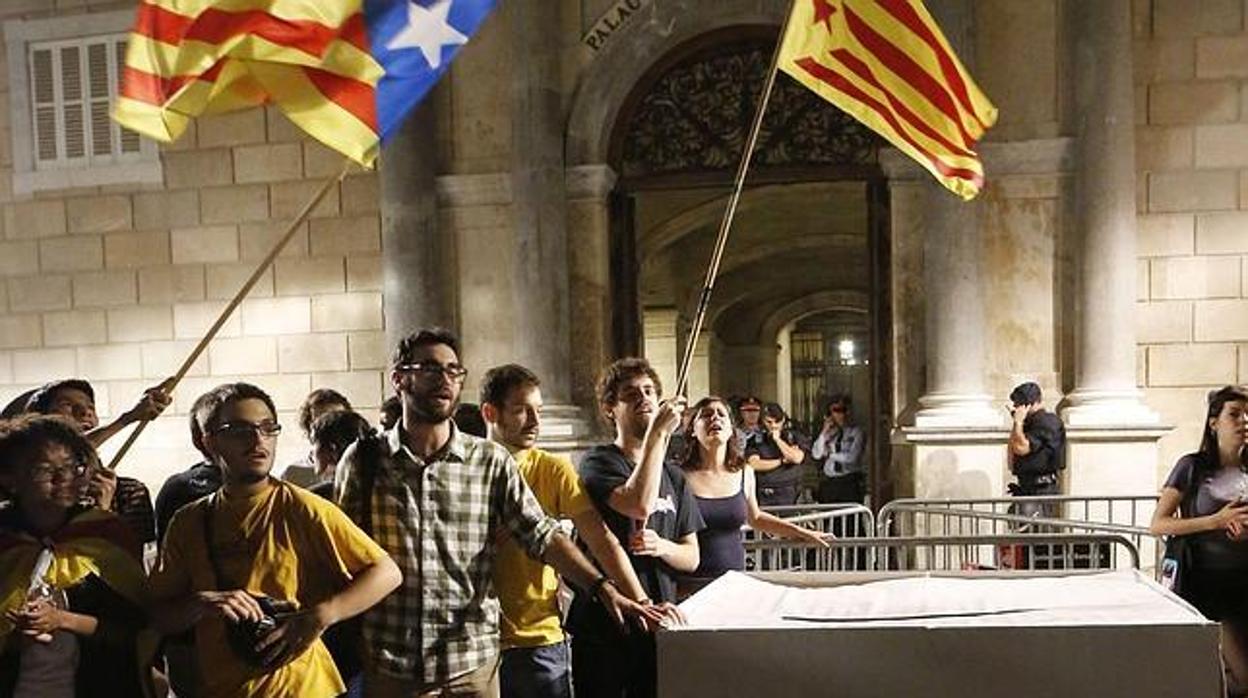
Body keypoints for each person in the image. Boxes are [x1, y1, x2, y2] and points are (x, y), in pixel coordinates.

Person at [334, 329, 657, 697]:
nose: (444, 380)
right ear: (399, 378)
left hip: (471, 661)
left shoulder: (488, 461)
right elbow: (345, 553)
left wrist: (601, 587)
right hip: (393, 663)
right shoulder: (365, 461)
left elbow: (541, 534)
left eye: (454, 371)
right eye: (430, 369)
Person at [148, 382, 402, 698]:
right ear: (209, 442)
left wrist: (322, 615)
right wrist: (202, 603)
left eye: (268, 428)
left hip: (302, 687)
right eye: (240, 429)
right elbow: (159, 615)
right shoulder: (189, 521)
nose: (258, 440)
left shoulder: (303, 508)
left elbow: (387, 572)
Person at [480, 364, 665, 698]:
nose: (536, 423)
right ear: (491, 413)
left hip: (537, 636)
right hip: (475, 639)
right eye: (522, 411)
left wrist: (639, 601)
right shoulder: (469, 468)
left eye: (539, 410)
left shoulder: (553, 469)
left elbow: (601, 537)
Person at [567, 357, 703, 698]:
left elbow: (692, 557)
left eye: (649, 391)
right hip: (606, 625)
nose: (644, 398)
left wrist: (663, 547)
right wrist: (658, 432)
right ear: (611, 408)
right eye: (630, 394)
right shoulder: (598, 461)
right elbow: (637, 503)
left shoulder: (674, 476)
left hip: (658, 621)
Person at [0, 415, 154, 697]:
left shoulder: (106, 534)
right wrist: (14, 637)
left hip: (100, 685)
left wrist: (62, 620)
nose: (64, 479)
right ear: (9, 479)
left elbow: (135, 629)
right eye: (44, 470)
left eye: (73, 467)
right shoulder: (4, 540)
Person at [1150, 386, 1248, 695]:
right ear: (1214, 422)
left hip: (1244, 582)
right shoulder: (1191, 467)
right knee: (1242, 674)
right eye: (1235, 414)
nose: (1244, 421)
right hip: (1207, 587)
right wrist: (1214, 522)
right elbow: (1159, 524)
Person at [678, 396, 829, 593]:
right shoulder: (678, 476)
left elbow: (755, 517)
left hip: (733, 581)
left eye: (721, 414)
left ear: (732, 429)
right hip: (689, 585)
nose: (715, 418)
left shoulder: (743, 472)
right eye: (706, 415)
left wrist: (801, 532)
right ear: (692, 430)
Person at [26, 379, 168, 549]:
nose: (85, 411)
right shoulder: (31, 491)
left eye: (90, 407)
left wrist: (103, 515)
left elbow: (136, 560)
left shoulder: (128, 492)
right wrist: (128, 418)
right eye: (67, 404)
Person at [152, 392, 225, 698]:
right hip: (192, 635)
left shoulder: (279, 494)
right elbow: (167, 566)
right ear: (201, 438)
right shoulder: (182, 488)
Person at [1006, 382, 1066, 522]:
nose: (1015, 408)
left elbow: (1021, 448)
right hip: (1028, 488)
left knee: (1038, 538)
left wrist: (1018, 423)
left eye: (1017, 404)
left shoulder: (1047, 422)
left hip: (1042, 491)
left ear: (1027, 404)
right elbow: (1011, 459)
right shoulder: (1029, 423)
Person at [283, 389, 353, 488]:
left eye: (337, 420)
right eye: (320, 422)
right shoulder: (293, 474)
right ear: (308, 427)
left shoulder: (359, 468)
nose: (329, 428)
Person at [745, 403, 809, 507]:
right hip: (764, 493)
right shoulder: (755, 440)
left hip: (790, 493)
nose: (773, 425)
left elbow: (797, 458)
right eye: (769, 422)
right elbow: (754, 464)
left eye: (777, 421)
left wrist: (778, 440)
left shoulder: (793, 437)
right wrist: (781, 461)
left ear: (783, 420)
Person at [811, 394, 866, 505]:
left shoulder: (856, 432)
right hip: (830, 482)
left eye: (844, 410)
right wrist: (824, 432)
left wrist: (829, 454)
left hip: (848, 481)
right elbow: (816, 454)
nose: (842, 414)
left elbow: (852, 457)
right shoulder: (830, 433)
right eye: (837, 410)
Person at [307, 410, 374, 501]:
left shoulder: (315, 499)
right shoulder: (382, 488)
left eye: (313, 443)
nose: (311, 452)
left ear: (332, 449)